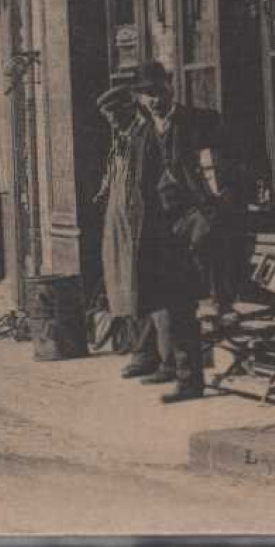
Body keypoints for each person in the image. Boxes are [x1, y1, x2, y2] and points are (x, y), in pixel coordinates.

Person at [131, 60, 225, 404]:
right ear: (140, 99)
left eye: (158, 91)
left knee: (201, 296)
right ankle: (189, 381)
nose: (153, 100)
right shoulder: (142, 135)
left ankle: (203, 357)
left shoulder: (201, 122)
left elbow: (221, 172)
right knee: (175, 302)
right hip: (164, 229)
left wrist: (211, 212)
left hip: (197, 220)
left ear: (171, 86)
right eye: (146, 95)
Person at [93, 82, 155, 377]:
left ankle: (145, 352)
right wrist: (104, 190)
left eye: (115, 116)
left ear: (128, 111)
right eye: (109, 117)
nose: (112, 122)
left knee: (137, 284)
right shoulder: (120, 138)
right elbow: (113, 173)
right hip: (117, 220)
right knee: (120, 284)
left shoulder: (143, 137)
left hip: (136, 220)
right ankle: (133, 345)